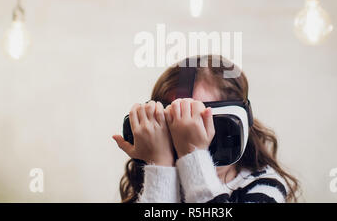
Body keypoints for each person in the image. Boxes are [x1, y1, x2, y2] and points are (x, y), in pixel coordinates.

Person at [113, 55, 300, 203]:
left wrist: (194, 155)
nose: (183, 137)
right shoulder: (151, 181)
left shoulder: (264, 186)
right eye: (172, 129)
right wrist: (160, 168)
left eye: (200, 124)